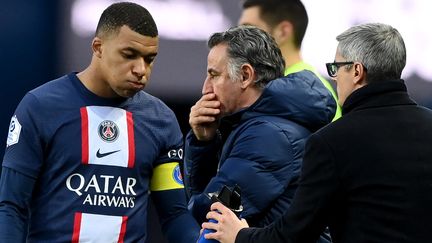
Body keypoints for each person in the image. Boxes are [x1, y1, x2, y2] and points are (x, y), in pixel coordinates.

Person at [201, 22, 432, 243]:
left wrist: (240, 236)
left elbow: (293, 235)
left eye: (336, 68)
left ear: (357, 72)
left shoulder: (332, 141)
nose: (334, 78)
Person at [0, 2, 200, 242]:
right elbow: (12, 206)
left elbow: (174, 215)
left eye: (149, 59)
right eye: (129, 55)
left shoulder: (161, 121)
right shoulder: (40, 107)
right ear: (98, 47)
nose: (141, 69)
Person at [183, 25, 335, 241]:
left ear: (245, 75)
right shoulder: (264, 125)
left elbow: (209, 212)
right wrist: (203, 142)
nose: (205, 88)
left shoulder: (269, 135)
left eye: (214, 75)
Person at [238, 0, 342, 121]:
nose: (239, 39)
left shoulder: (313, 92)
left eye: (249, 30)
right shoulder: (311, 87)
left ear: (283, 32)